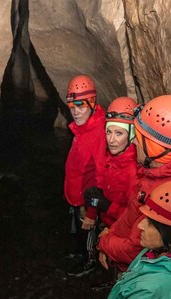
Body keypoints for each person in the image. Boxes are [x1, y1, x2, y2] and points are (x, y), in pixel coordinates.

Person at [98, 95, 171, 272]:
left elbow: (135, 249)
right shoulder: (157, 173)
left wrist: (104, 242)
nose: (134, 142)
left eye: (138, 137)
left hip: (133, 268)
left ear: (153, 147)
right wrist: (111, 232)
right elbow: (131, 213)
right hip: (119, 250)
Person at [63, 74, 107, 277]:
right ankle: (82, 253)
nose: (76, 112)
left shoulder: (97, 132)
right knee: (81, 231)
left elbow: (100, 176)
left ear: (92, 103)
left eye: (80, 106)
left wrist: (91, 211)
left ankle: (90, 261)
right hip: (77, 193)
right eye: (72, 107)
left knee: (88, 230)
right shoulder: (83, 128)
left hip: (87, 197)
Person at [83, 96, 139, 231]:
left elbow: (135, 219)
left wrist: (107, 206)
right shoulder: (109, 158)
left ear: (132, 135)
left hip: (120, 231)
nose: (111, 140)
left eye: (119, 133)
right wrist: (92, 210)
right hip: (106, 224)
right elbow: (100, 185)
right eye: (109, 132)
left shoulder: (135, 172)